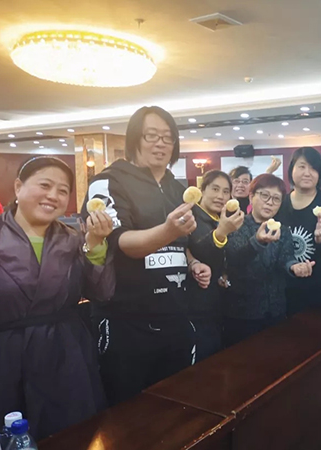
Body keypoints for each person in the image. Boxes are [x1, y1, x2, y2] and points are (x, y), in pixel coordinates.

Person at [0, 156, 115, 447]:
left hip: (66, 354)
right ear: (18, 187)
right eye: (45, 185)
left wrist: (95, 246)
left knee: (75, 435)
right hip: (4, 359)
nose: (53, 195)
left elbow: (102, 293)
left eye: (63, 190)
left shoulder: (74, 239)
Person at [81, 106, 211, 406]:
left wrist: (193, 262)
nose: (160, 143)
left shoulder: (177, 187)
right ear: (134, 139)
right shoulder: (109, 182)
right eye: (151, 135)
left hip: (176, 317)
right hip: (127, 321)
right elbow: (121, 241)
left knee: (177, 405)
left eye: (167, 137)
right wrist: (167, 230)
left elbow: (182, 241)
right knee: (126, 411)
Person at [223, 174, 314, 347]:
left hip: (275, 311)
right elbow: (234, 260)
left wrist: (295, 267)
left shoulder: (283, 230)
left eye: (276, 199)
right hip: (241, 313)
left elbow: (286, 258)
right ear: (251, 196)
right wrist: (257, 242)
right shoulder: (236, 225)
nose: (270, 202)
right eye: (264, 195)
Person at [277, 147, 321, 315]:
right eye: (302, 166)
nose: (307, 173)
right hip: (288, 290)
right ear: (291, 170)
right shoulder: (280, 204)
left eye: (313, 168)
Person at [187, 170, 244, 361]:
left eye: (226, 191)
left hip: (218, 302)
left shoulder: (223, 218)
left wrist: (225, 272)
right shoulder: (191, 215)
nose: (220, 196)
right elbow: (199, 249)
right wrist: (221, 233)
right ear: (202, 190)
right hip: (195, 303)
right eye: (215, 189)